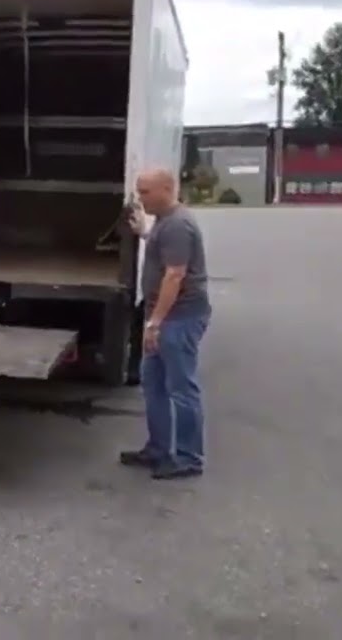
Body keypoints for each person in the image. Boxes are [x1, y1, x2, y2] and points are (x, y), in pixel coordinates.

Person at [119, 168, 211, 480]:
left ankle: (189, 458)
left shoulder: (177, 225)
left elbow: (175, 275)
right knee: (153, 384)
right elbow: (165, 251)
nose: (141, 198)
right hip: (165, 318)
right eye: (139, 191)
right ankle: (158, 449)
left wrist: (155, 323)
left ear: (167, 190)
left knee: (182, 389)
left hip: (179, 318)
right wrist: (145, 233)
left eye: (145, 192)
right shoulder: (165, 221)